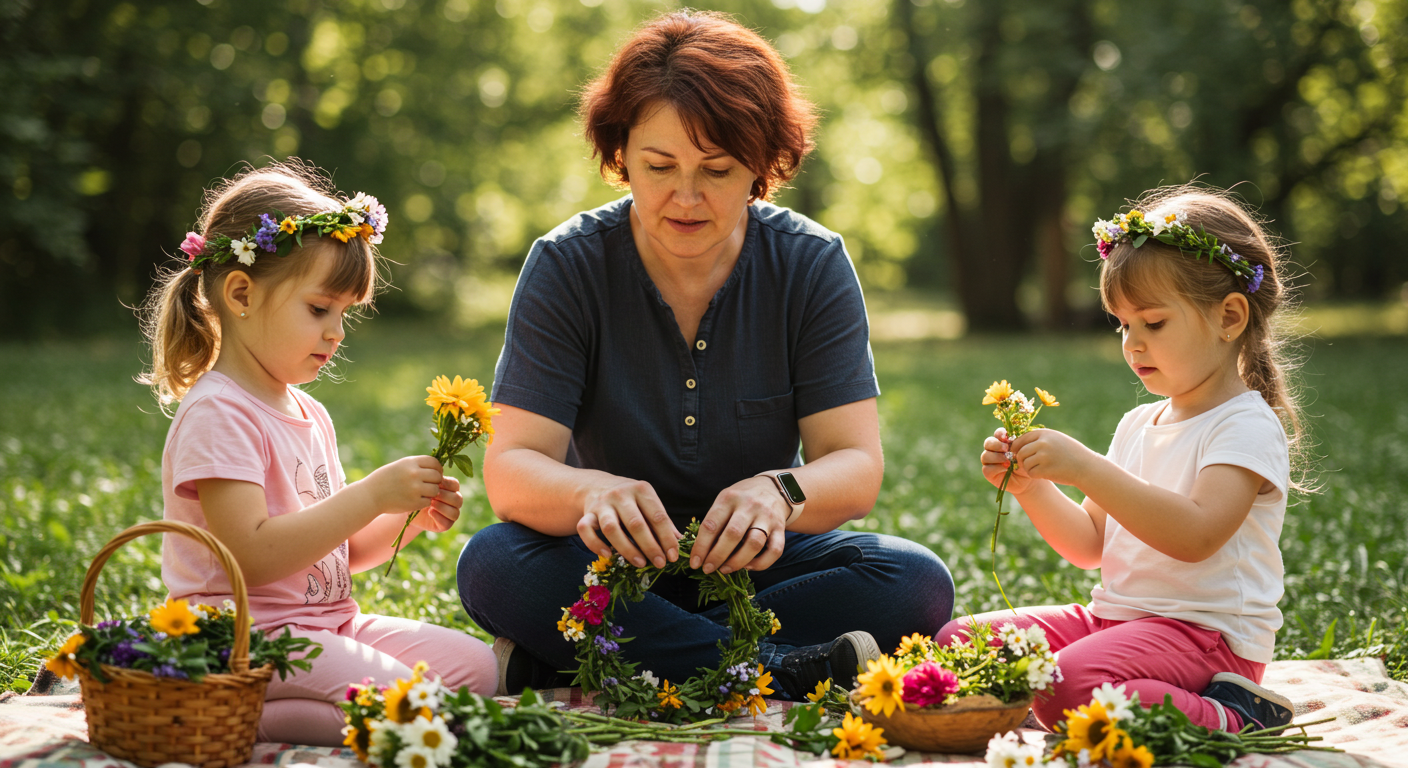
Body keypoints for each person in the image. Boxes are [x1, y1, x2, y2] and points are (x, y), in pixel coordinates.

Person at [455, 11, 954, 700]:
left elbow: (855, 466)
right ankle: (780, 669)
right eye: (659, 166)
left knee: (915, 581)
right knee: (494, 564)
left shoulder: (812, 265)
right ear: (620, 153)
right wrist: (593, 493)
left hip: (760, 563)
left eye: (716, 171)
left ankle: (596, 655)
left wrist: (778, 494)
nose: (685, 197)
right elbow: (512, 472)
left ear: (761, 165)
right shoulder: (566, 265)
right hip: (606, 561)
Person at [139, 163, 495, 746]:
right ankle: (223, 712)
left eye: (343, 314)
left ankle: (303, 711)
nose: (336, 332)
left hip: (325, 624)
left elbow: (339, 551)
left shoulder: (310, 414)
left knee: (476, 671)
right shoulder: (217, 413)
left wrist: (404, 519)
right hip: (244, 636)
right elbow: (250, 557)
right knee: (411, 704)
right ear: (242, 294)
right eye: (318, 309)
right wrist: (371, 494)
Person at [946, 185, 1305, 733]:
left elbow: (1197, 535)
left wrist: (1086, 467)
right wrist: (1033, 487)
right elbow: (1090, 544)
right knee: (957, 643)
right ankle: (1098, 695)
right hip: (1115, 621)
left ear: (1229, 316)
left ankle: (1230, 712)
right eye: (1122, 324)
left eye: (1153, 323)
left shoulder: (1246, 425)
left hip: (1207, 640)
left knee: (1066, 682)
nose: (1132, 344)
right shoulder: (1140, 424)